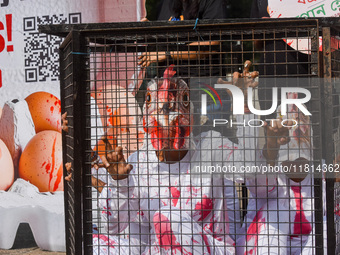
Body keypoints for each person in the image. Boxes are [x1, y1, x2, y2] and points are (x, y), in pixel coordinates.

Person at [90, 63, 292, 254]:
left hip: (210, 248)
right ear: (145, 117)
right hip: (156, 250)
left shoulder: (210, 146)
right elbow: (113, 226)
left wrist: (243, 106)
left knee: (168, 218)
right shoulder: (137, 163)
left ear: (191, 116)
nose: (166, 107)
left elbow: (252, 173)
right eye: (153, 101)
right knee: (95, 244)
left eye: (182, 99)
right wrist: (119, 183)